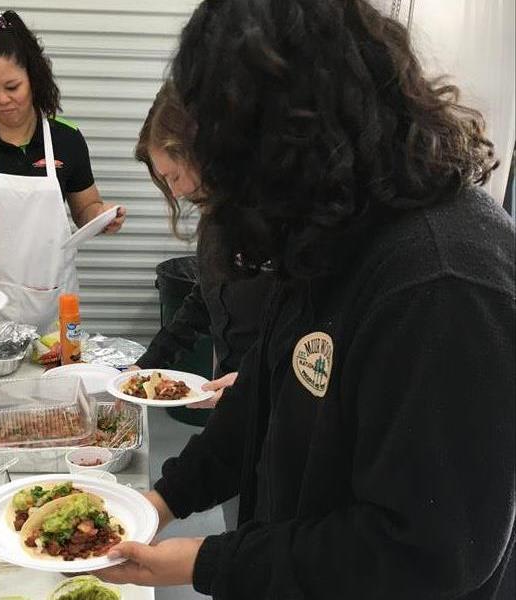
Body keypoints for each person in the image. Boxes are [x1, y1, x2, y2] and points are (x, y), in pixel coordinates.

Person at [96, 1, 516, 598]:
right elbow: (263, 395)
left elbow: (425, 553)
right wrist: (162, 501)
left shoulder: (441, 283)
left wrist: (206, 562)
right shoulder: (331, 230)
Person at [0, 10, 125, 331]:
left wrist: (103, 216)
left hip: (53, 306)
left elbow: (85, 209)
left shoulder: (67, 139)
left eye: (12, 86)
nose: (2, 99)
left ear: (33, 77)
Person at [132, 82, 275, 409]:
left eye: (175, 176)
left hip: (278, 403)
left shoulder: (276, 219)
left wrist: (254, 381)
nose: (176, 192)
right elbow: (204, 296)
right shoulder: (214, 219)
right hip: (232, 398)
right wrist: (145, 367)